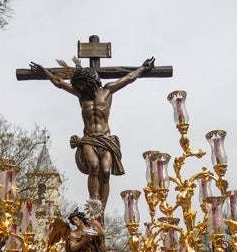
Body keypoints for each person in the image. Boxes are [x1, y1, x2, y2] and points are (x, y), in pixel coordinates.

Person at [30, 57, 155, 211]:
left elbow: (129, 78)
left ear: (91, 80)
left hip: (106, 139)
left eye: (83, 83)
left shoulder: (108, 90)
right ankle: (94, 205)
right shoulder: (81, 96)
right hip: (89, 139)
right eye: (79, 85)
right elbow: (59, 83)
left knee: (106, 172)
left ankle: (101, 209)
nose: (81, 87)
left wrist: (143, 68)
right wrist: (44, 71)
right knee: (94, 167)